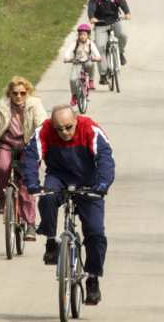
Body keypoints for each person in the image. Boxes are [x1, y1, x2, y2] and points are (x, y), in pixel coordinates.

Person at [24, 105, 115, 306]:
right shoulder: (44, 130)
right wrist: (31, 182)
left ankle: (92, 279)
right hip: (58, 178)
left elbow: (106, 158)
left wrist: (102, 184)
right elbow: (32, 157)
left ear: (76, 120)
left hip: (89, 183)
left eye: (68, 127)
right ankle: (51, 241)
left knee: (95, 232)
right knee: (46, 197)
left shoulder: (90, 129)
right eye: (59, 128)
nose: (64, 132)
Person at [0, 76, 46, 240]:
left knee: (26, 182)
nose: (18, 96)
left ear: (27, 93)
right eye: (15, 93)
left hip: (28, 146)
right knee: (2, 167)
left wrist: (42, 141)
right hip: (7, 143)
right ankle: (3, 195)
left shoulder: (34, 105)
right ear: (10, 93)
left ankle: (30, 224)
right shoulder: (3, 105)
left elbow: (41, 124)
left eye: (22, 93)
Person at [87, 0, 131, 83]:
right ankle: (103, 75)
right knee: (100, 47)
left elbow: (124, 5)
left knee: (123, 34)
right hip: (100, 25)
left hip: (114, 22)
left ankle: (120, 53)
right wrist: (92, 17)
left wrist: (127, 13)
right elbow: (91, 8)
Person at [63, 24, 102, 106]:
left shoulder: (91, 43)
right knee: (72, 80)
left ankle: (91, 80)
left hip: (87, 61)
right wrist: (67, 58)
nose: (82, 36)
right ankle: (74, 96)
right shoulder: (76, 42)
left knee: (91, 64)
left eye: (84, 34)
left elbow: (97, 53)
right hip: (77, 62)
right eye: (81, 34)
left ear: (88, 35)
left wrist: (97, 57)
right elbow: (68, 51)